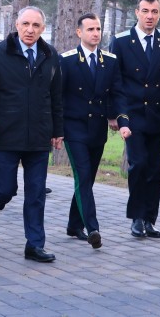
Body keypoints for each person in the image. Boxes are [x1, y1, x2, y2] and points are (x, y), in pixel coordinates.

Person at [0, 6, 63, 262]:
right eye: (25, 24)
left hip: (39, 136)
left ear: (43, 28)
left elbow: (56, 96)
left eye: (36, 25)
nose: (30, 30)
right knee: (4, 190)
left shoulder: (50, 55)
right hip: (6, 135)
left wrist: (58, 130)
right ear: (16, 25)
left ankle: (34, 245)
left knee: (36, 194)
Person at [110, 0, 160, 239]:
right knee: (139, 165)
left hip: (157, 115)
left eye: (154, 11)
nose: (150, 16)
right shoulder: (121, 41)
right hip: (132, 116)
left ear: (159, 14)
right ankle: (136, 217)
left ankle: (149, 219)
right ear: (137, 12)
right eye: (145, 11)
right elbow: (114, 81)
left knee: (155, 169)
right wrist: (115, 115)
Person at [60, 13, 130, 249]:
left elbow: (117, 93)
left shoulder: (109, 61)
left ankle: (73, 225)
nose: (95, 33)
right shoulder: (67, 60)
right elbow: (58, 97)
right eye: (90, 29)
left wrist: (123, 121)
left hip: (97, 129)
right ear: (79, 32)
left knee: (87, 178)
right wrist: (56, 129)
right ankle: (92, 228)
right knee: (83, 175)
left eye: (98, 29)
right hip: (74, 128)